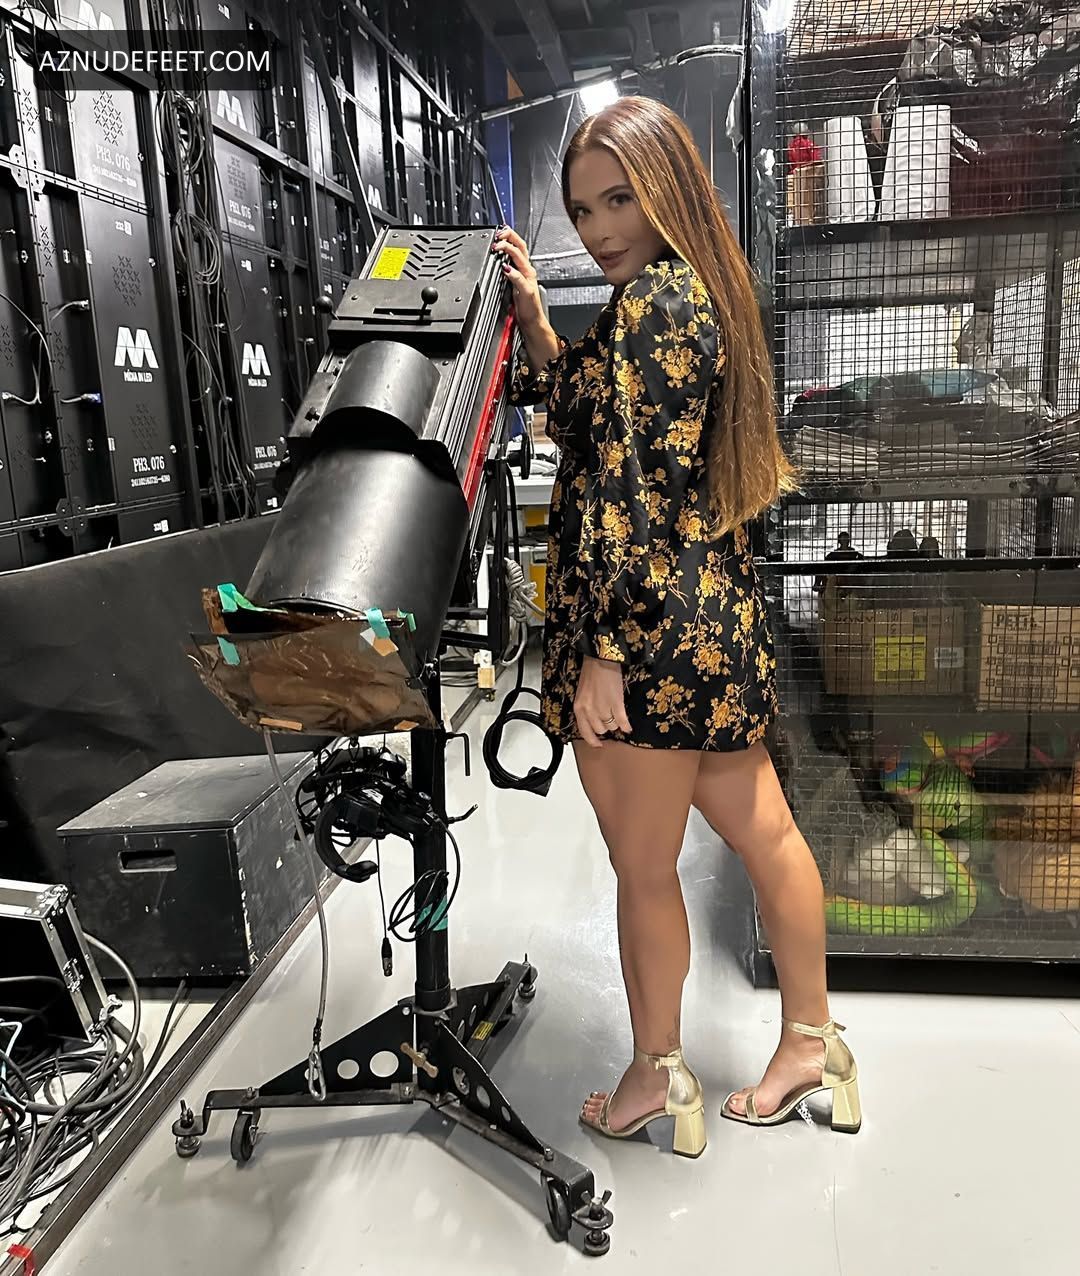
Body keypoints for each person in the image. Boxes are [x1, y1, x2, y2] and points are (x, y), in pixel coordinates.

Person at [493, 96, 860, 1157]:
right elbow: (591, 416)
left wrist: (604, 653)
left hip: (649, 639)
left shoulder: (655, 304)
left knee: (644, 868)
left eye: (619, 200)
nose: (598, 228)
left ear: (666, 188)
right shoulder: (683, 292)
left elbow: (633, 489)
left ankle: (657, 1076)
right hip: (708, 624)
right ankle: (816, 1048)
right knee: (768, 835)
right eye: (582, 210)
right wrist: (538, 325)